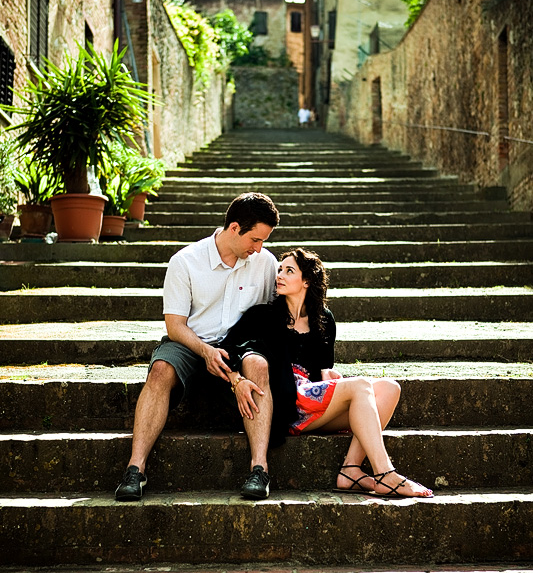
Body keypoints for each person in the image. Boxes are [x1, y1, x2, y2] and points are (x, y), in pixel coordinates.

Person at [223, 248, 433, 498]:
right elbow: (226, 349)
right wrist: (237, 380)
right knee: (361, 385)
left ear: (306, 281)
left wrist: (330, 378)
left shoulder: (324, 319)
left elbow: (323, 369)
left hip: (312, 402)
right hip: (285, 402)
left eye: (289, 271)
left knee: (390, 388)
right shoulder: (263, 315)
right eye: (280, 269)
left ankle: (350, 470)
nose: (279, 275)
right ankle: (384, 472)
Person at [115, 192, 280, 502]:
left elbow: (281, 311)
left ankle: (260, 469)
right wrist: (205, 351)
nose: (259, 249)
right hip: (191, 341)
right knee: (161, 369)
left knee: (258, 365)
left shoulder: (266, 262)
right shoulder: (185, 261)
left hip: (241, 346)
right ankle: (135, 469)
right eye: (255, 240)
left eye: (263, 241)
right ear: (234, 228)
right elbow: (175, 326)